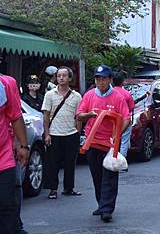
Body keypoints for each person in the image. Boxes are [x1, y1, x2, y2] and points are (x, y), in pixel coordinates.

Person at [76, 65, 130, 223]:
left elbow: (126, 118)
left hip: (110, 144)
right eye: (98, 78)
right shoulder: (89, 95)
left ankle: (107, 209)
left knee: (110, 177)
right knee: (97, 176)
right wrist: (89, 115)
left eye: (104, 79)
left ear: (110, 79)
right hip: (92, 142)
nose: (100, 82)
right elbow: (79, 116)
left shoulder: (118, 97)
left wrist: (117, 133)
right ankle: (101, 204)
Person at [41, 66, 83, 199]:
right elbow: (46, 116)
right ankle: (53, 189)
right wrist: (47, 134)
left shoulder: (77, 96)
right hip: (54, 133)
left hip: (71, 134)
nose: (61, 78)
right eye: (59, 76)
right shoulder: (49, 95)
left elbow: (79, 116)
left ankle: (69, 188)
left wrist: (78, 131)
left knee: (71, 163)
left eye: (64, 76)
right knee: (53, 164)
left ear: (70, 78)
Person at [0, 73, 28, 234]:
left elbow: (15, 116)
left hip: (3, 159)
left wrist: (24, 146)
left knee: (7, 207)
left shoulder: (6, 83)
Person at [111, 71, 134, 161]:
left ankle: (111, 159)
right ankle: (121, 162)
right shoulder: (126, 94)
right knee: (124, 142)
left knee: (111, 141)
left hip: (111, 120)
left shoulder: (109, 92)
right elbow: (131, 108)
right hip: (124, 120)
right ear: (122, 81)